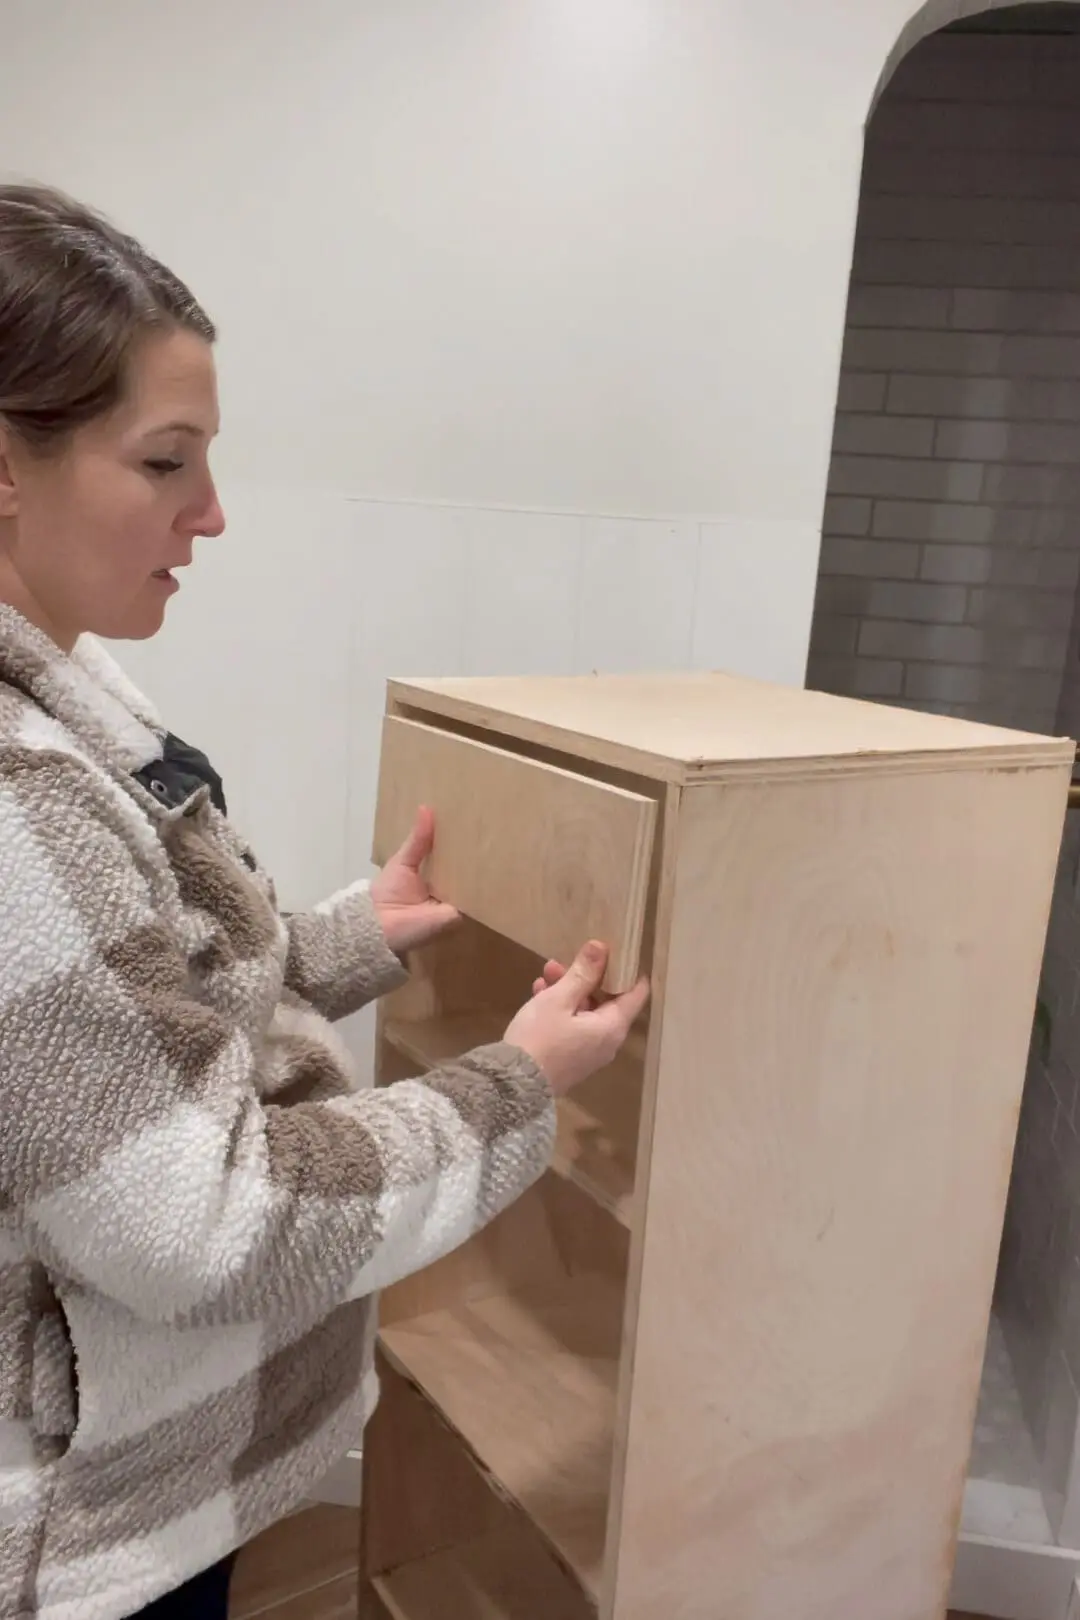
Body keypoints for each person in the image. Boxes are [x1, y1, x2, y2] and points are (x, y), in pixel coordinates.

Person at [0, 184, 650, 1620]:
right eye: (166, 462)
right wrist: (515, 1089)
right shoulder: (16, 803)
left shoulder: (56, 717)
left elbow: (111, 1027)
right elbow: (202, 1223)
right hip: (78, 1546)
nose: (212, 515)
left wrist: (341, 943)